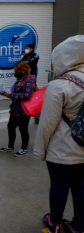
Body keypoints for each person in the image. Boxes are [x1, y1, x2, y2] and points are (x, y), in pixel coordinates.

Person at [34, 35, 84, 233]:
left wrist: (40, 152)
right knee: (80, 187)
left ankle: (54, 222)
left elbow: (47, 125)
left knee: (59, 187)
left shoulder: (59, 85)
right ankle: (79, 226)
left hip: (61, 151)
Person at [0, 61, 36, 157]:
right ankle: (10, 146)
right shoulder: (20, 79)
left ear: (23, 70)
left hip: (23, 110)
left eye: (16, 70)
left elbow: (27, 95)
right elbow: (13, 93)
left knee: (23, 129)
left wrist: (11, 94)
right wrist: (6, 94)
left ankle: (24, 148)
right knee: (10, 127)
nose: (15, 72)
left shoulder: (29, 80)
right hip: (15, 109)